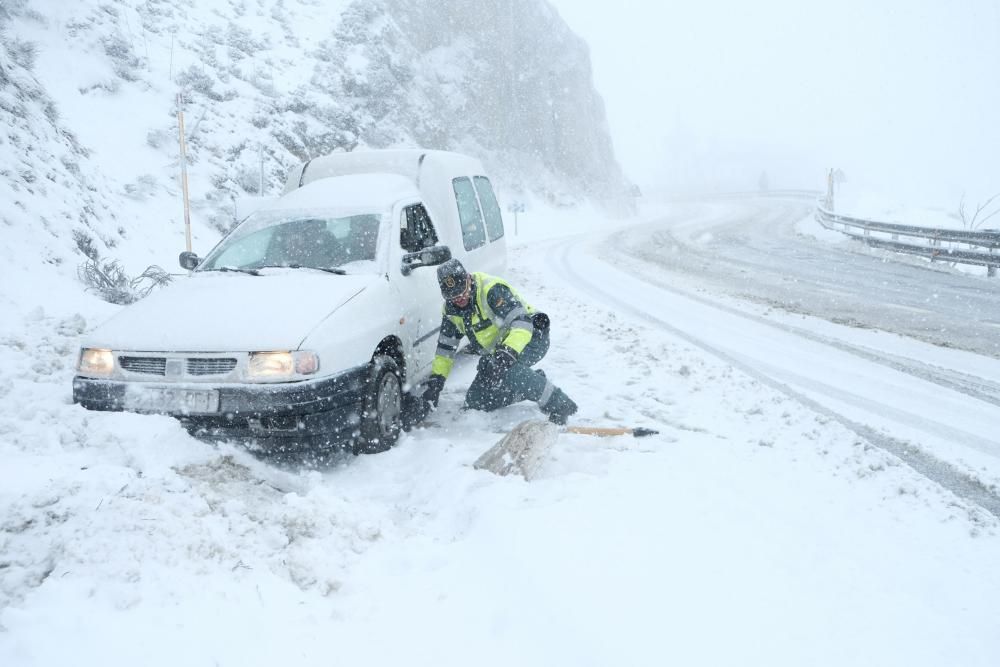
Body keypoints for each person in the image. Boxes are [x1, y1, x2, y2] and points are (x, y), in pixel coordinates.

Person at [420, 258, 578, 424]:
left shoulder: (491, 290)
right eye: (453, 296)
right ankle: (527, 385)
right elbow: (445, 349)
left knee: (507, 369)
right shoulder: (451, 310)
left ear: (468, 279)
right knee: (477, 401)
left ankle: (559, 403)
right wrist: (436, 382)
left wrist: (506, 355)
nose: (459, 299)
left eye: (462, 292)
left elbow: (522, 324)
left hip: (532, 337)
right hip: (500, 350)